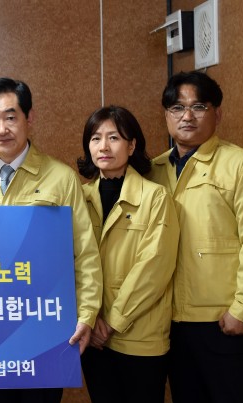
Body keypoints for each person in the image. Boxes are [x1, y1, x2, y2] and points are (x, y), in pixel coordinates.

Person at [0, 77, 102, 403]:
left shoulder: (61, 178)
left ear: (29, 118)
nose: (1, 129)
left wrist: (87, 314)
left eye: (10, 117)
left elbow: (85, 253)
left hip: (46, 327)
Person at [147, 71, 243, 403]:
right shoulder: (154, 171)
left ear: (217, 114)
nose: (187, 116)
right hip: (170, 324)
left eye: (198, 107)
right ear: (166, 115)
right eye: (177, 107)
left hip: (224, 322)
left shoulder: (242, 165)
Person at [77, 106, 179, 403]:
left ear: (132, 145)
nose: (103, 146)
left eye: (114, 138)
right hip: (92, 336)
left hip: (139, 338)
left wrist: (112, 322)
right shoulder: (79, 197)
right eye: (95, 138)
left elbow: (155, 267)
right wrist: (89, 319)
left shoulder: (155, 196)